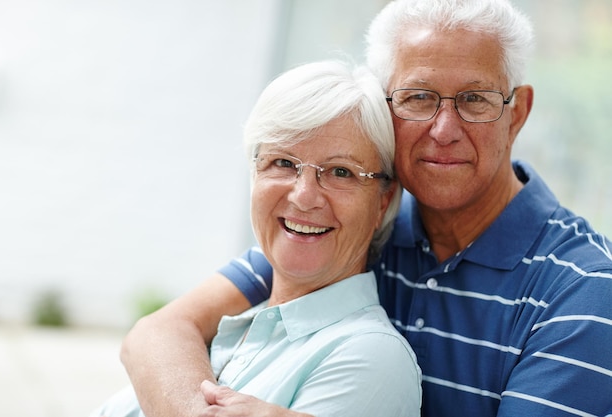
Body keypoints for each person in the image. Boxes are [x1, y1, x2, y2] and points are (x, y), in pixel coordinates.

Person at [120, 1, 612, 416]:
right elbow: (158, 332)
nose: (444, 129)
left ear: (517, 113)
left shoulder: (585, 289)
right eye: (418, 98)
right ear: (383, 108)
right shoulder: (349, 225)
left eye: (474, 99)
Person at [91, 60, 422, 417]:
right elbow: (150, 335)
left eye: (341, 172)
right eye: (282, 162)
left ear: (383, 202)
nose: (303, 196)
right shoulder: (239, 323)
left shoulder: (370, 359)